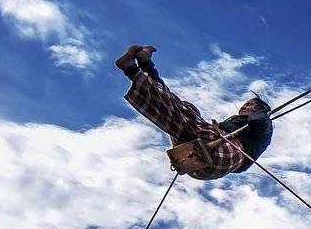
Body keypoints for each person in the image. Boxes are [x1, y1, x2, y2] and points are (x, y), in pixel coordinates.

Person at [114, 44, 272, 180]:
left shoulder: (263, 127)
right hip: (196, 161)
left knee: (186, 111)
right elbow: (174, 108)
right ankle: (138, 66)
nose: (244, 107)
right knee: (180, 111)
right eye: (244, 105)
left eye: (250, 105)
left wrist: (258, 113)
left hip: (226, 155)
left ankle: (137, 67)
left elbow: (261, 125)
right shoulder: (236, 124)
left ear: (260, 109)